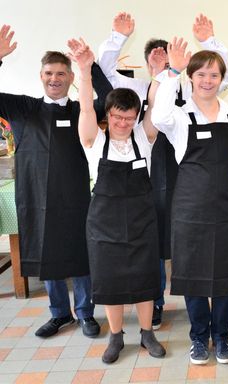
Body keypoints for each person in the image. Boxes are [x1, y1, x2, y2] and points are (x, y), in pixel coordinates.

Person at [97, 12, 228, 330]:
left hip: (187, 168)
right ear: (146, 64)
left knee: (189, 233)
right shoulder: (137, 86)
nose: (160, 61)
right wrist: (117, 36)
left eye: (166, 55)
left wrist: (208, 41)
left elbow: (224, 77)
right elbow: (103, 71)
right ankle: (155, 301)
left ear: (178, 60)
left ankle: (197, 294)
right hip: (148, 168)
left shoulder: (191, 86)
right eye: (154, 57)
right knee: (154, 235)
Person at [0, 24, 112, 338]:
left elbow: (110, 97)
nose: (54, 79)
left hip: (74, 197)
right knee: (48, 254)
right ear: (41, 76)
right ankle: (59, 314)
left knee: (79, 254)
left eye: (61, 74)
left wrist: (90, 65)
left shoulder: (81, 110)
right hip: (35, 198)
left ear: (70, 78)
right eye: (49, 73)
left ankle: (86, 314)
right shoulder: (23, 108)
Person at [152, 37, 228, 365]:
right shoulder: (180, 117)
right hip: (189, 208)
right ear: (191, 78)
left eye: (214, 75)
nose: (208, 81)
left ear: (222, 79)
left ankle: (222, 337)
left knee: (225, 274)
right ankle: (199, 337)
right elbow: (158, 117)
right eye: (201, 75)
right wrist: (172, 72)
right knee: (193, 273)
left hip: (225, 207)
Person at [68, 38, 165, 364]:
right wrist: (83, 70)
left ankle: (147, 333)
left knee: (146, 277)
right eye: (117, 117)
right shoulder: (94, 140)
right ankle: (116, 336)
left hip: (141, 219)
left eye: (129, 117)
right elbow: (84, 106)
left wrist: (159, 72)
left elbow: (154, 102)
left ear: (137, 117)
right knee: (109, 279)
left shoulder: (144, 136)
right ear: (108, 115)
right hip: (105, 222)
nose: (123, 123)